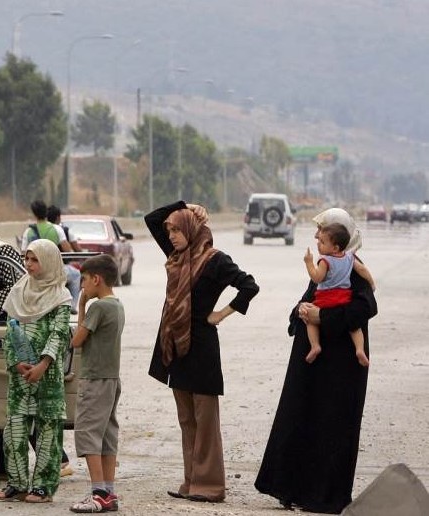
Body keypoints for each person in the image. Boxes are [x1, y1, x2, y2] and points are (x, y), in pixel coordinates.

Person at [255, 208, 377, 514]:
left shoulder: (352, 268)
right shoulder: (326, 267)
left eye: (321, 231)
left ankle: (324, 497)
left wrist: (322, 316)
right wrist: (300, 311)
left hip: (341, 368)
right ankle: (291, 489)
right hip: (313, 365)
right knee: (300, 421)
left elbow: (365, 308)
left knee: (332, 428)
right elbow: (308, 297)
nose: (315, 237)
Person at [144, 201, 259, 504]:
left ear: (191, 230)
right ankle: (192, 481)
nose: (170, 235)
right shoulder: (176, 256)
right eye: (169, 231)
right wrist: (185, 205)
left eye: (176, 229)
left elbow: (249, 286)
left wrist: (221, 313)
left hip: (202, 347)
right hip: (176, 346)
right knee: (186, 419)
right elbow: (151, 218)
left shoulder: (215, 260)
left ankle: (210, 486)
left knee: (205, 419)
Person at [0, 209, 72, 479]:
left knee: (32, 406)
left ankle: (57, 462)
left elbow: (18, 287)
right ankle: (1, 465)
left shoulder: (2, 251)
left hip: (10, 331)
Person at [0, 239, 71, 504]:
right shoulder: (18, 291)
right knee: (14, 430)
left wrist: (42, 365)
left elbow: (60, 334)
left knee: (48, 431)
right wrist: (16, 362)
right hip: (20, 377)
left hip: (47, 376)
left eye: (35, 259)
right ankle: (16, 483)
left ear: (49, 261)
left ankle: (43, 487)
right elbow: (9, 332)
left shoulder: (60, 296)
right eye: (26, 258)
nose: (29, 264)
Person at [68, 254, 126, 513]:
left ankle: (98, 492)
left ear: (96, 279)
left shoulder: (98, 307)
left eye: (83, 280)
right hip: (112, 379)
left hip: (94, 379)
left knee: (88, 432)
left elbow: (77, 340)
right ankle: (109, 492)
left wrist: (81, 306)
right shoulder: (117, 305)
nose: (82, 286)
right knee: (106, 434)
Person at [303, 222, 375, 366]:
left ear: (335, 246)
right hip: (344, 297)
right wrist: (372, 283)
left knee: (309, 320)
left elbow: (362, 310)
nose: (316, 236)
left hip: (341, 359)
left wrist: (309, 263)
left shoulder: (324, 261)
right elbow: (363, 270)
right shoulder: (349, 258)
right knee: (354, 328)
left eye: (321, 238)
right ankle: (360, 349)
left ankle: (315, 345)